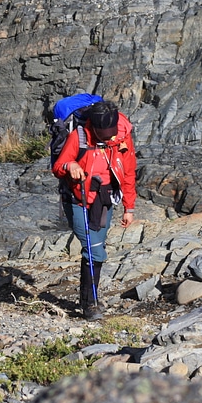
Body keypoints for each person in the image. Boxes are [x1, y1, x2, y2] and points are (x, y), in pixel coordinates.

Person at [52, 100, 137, 320]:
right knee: (95, 249)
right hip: (77, 199)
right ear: (93, 127)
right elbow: (58, 166)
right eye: (104, 135)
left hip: (104, 200)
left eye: (112, 134)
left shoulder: (122, 138)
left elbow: (128, 173)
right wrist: (70, 166)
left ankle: (86, 300)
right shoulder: (78, 137)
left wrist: (129, 207)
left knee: (94, 250)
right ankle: (91, 305)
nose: (110, 139)